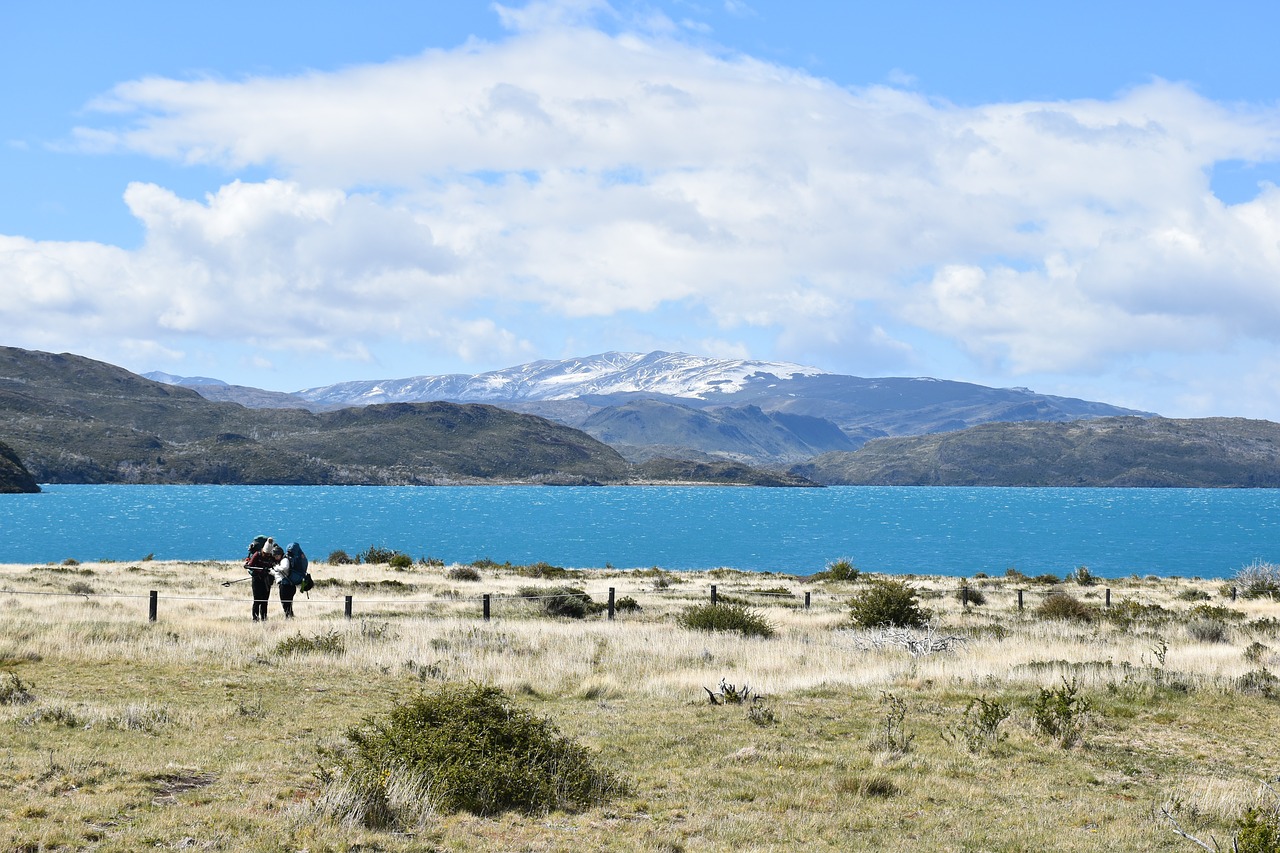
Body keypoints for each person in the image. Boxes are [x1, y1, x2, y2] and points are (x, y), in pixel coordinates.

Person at [244, 535, 280, 621]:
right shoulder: (257, 554)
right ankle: (255, 618)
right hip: (257, 580)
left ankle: (264, 618)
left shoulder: (272, 556)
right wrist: (260, 571)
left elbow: (277, 564)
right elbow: (249, 566)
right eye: (265, 554)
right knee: (257, 600)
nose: (266, 555)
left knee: (265, 601)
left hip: (267, 581)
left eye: (268, 554)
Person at [273, 541, 308, 618]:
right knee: (289, 602)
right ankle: (290, 616)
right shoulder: (293, 558)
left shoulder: (285, 560)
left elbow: (284, 568)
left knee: (285, 602)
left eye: (276, 555)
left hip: (285, 585)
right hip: (292, 584)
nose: (275, 557)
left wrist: (276, 568)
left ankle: (288, 616)